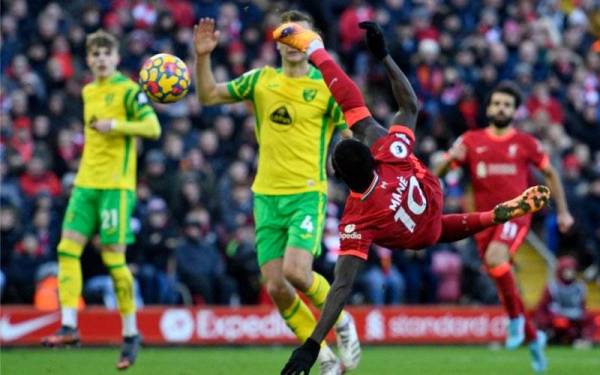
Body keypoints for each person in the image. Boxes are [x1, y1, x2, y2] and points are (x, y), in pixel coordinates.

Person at [273, 21, 551, 375]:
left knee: (437, 230)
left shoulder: (356, 219)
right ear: (370, 156)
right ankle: (492, 216)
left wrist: (312, 345)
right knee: (358, 113)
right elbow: (408, 104)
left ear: (341, 179)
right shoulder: (390, 150)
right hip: (427, 195)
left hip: (422, 233)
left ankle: (491, 216)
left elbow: (342, 287)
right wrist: (382, 56)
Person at [193, 10, 359, 374]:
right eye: (288, 34)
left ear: (315, 42)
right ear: (278, 41)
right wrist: (203, 56)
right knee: (277, 287)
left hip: (306, 194)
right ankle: (328, 359)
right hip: (265, 196)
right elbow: (207, 96)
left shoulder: (327, 88)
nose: (294, 42)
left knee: (297, 273)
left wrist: (352, 158)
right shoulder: (260, 81)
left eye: (302, 35)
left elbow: (353, 134)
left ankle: (342, 320)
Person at [41, 29, 161, 370]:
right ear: (89, 59)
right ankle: (68, 325)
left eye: (106, 53)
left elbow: (153, 128)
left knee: (114, 261)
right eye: (94, 54)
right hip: (85, 185)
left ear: (116, 58)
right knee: (66, 251)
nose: (100, 59)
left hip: (115, 188)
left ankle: (130, 334)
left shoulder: (128, 91)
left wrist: (117, 125)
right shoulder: (88, 91)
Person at [434, 75, 574, 355]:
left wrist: (563, 211)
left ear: (514, 111)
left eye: (507, 105)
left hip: (516, 215)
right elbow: (438, 175)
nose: (500, 108)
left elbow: (551, 174)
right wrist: (448, 161)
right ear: (488, 109)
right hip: (484, 220)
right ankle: (533, 337)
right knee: (500, 275)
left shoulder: (526, 143)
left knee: (496, 259)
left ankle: (514, 322)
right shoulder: (470, 140)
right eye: (496, 103)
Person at [534, 256, 596, 346]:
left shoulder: (580, 287)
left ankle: (585, 339)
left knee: (591, 321)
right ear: (561, 271)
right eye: (567, 270)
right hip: (557, 318)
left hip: (575, 318)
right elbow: (543, 307)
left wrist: (583, 316)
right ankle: (552, 338)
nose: (570, 273)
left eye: (572, 270)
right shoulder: (552, 287)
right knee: (560, 323)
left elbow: (583, 307)